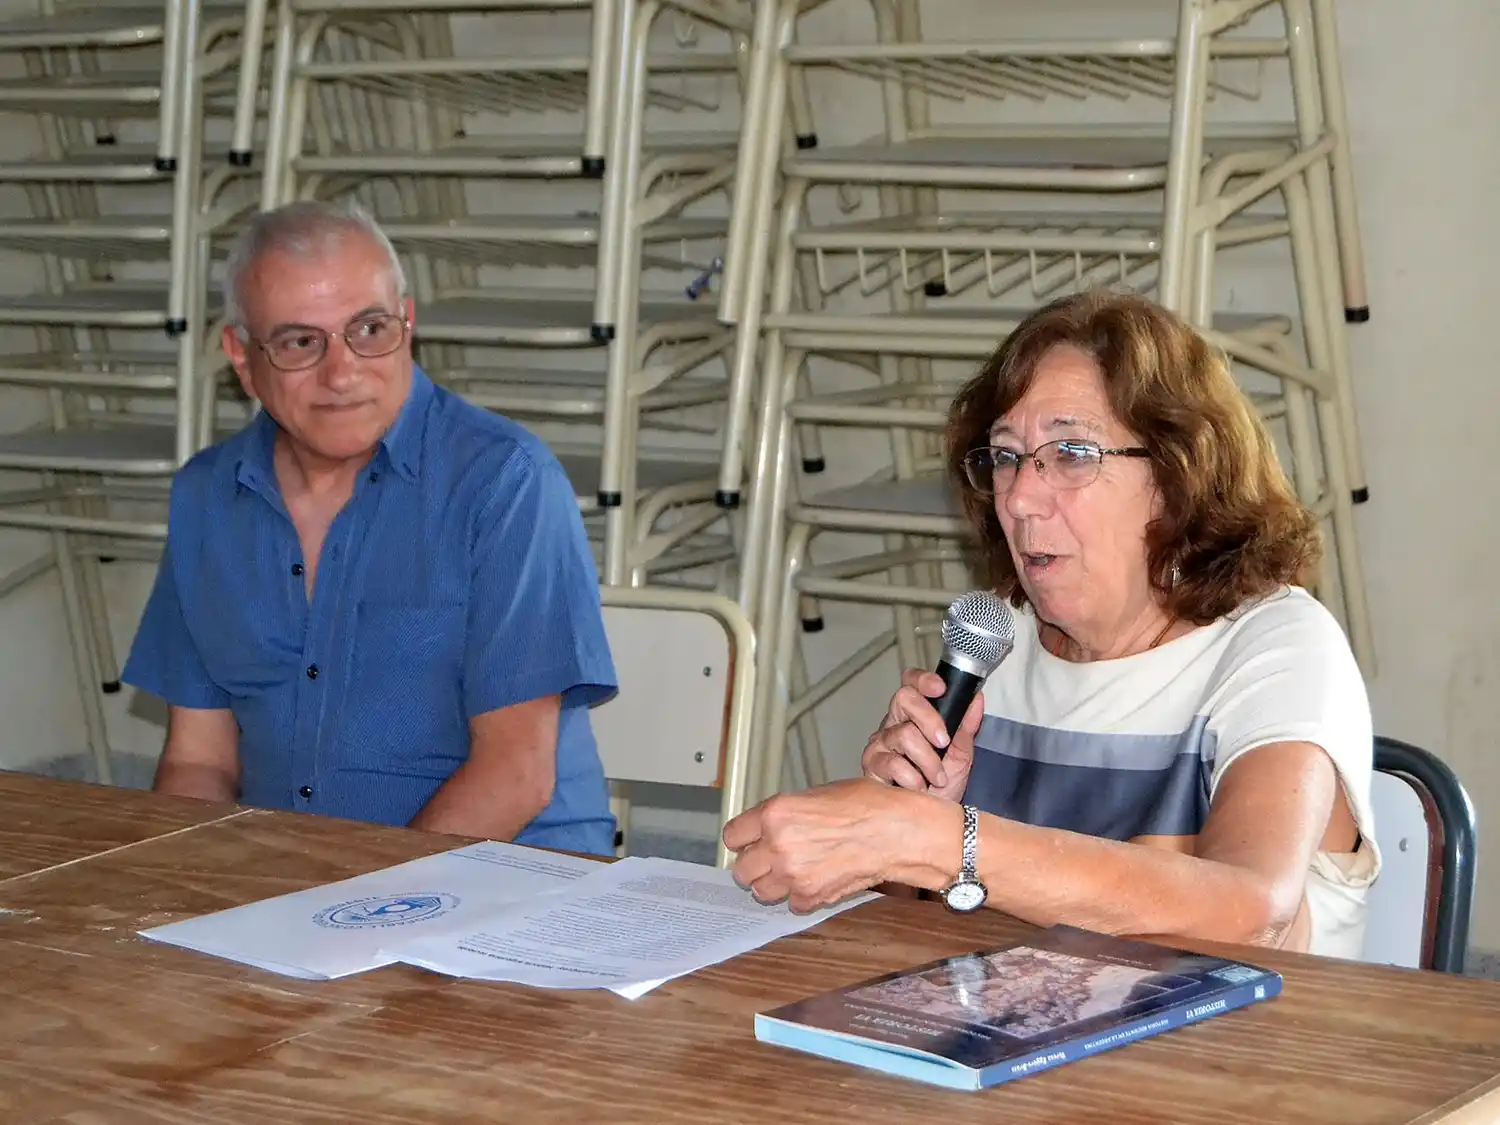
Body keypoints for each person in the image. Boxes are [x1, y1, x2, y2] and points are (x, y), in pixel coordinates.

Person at [723, 289, 1379, 958]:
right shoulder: (996, 643)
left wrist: (942, 840)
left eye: (1071, 453)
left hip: (1254, 1054)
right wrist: (908, 831)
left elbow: (1251, 909)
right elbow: (913, 940)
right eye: (1005, 456)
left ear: (1181, 473)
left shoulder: (1278, 646)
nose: (1021, 496)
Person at [122, 200, 618, 855]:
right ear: (242, 357)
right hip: (296, 889)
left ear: (408, 323)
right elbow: (200, 760)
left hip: (506, 884)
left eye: (369, 329)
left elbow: (515, 775)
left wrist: (354, 911)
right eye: (301, 342)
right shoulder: (206, 498)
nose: (342, 372)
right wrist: (187, 886)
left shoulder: (504, 482)